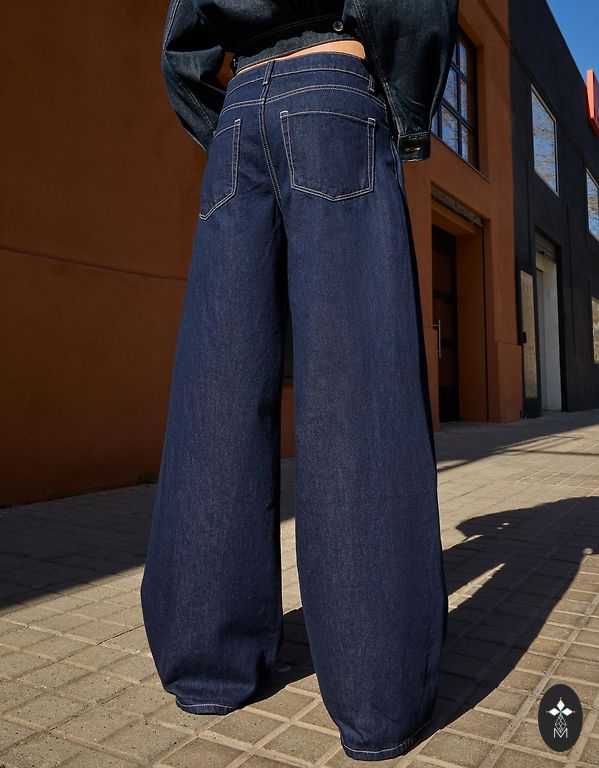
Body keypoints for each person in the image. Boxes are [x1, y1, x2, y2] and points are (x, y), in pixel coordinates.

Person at [140, 1, 459, 761]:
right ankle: (377, 698)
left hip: (238, 109)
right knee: (358, 396)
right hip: (335, 88)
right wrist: (401, 109)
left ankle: (208, 667)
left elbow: (184, 43)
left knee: (218, 394)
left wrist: (228, 120)